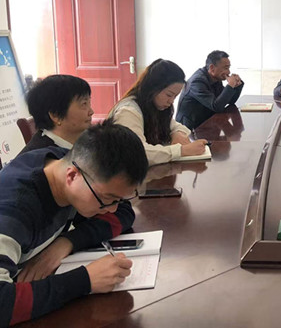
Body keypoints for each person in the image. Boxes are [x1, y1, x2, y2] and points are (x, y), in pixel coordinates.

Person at [0, 120, 148, 325]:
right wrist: (86, 280)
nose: (113, 208)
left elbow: (124, 213)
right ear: (71, 176)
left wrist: (68, 242)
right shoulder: (13, 212)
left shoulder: (67, 163)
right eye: (108, 198)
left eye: (118, 199)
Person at [110, 59, 207, 166]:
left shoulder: (154, 106)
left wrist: (177, 133)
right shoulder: (128, 111)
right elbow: (138, 152)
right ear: (153, 88)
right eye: (169, 95)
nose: (171, 101)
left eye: (175, 96)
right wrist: (181, 151)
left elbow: (175, 125)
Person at [19, 74, 94, 154]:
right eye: (84, 104)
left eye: (89, 103)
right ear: (55, 115)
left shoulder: (76, 142)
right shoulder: (44, 158)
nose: (91, 112)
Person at [176, 50, 244, 130]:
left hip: (208, 123)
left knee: (234, 133)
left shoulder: (216, 78)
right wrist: (230, 85)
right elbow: (216, 106)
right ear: (212, 68)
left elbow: (230, 101)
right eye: (226, 68)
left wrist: (237, 86)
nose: (228, 72)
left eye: (229, 68)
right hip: (190, 129)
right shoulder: (197, 82)